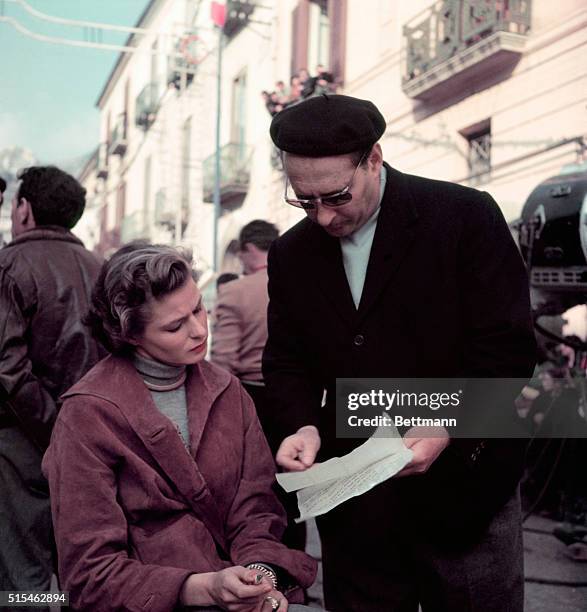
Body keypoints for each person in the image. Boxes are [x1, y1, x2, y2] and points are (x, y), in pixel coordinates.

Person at [264, 94, 537, 611]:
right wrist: (299, 425)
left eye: (336, 197)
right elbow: (287, 361)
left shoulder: (464, 216)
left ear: (374, 158)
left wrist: (444, 424)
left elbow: (507, 350)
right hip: (355, 505)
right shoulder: (291, 252)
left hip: (466, 489)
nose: (321, 217)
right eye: (303, 200)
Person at [42, 244, 317, 612]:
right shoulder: (86, 414)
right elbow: (89, 573)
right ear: (130, 335)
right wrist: (203, 587)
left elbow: (257, 512)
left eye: (199, 308)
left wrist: (258, 575)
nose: (198, 330)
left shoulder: (227, 390)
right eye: (174, 325)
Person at [0, 166, 104, 601]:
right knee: (83, 566)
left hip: (22, 440)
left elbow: (7, 367)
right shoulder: (103, 268)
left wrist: (50, 426)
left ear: (24, 209)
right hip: (93, 440)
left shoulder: (8, 265)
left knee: (23, 574)